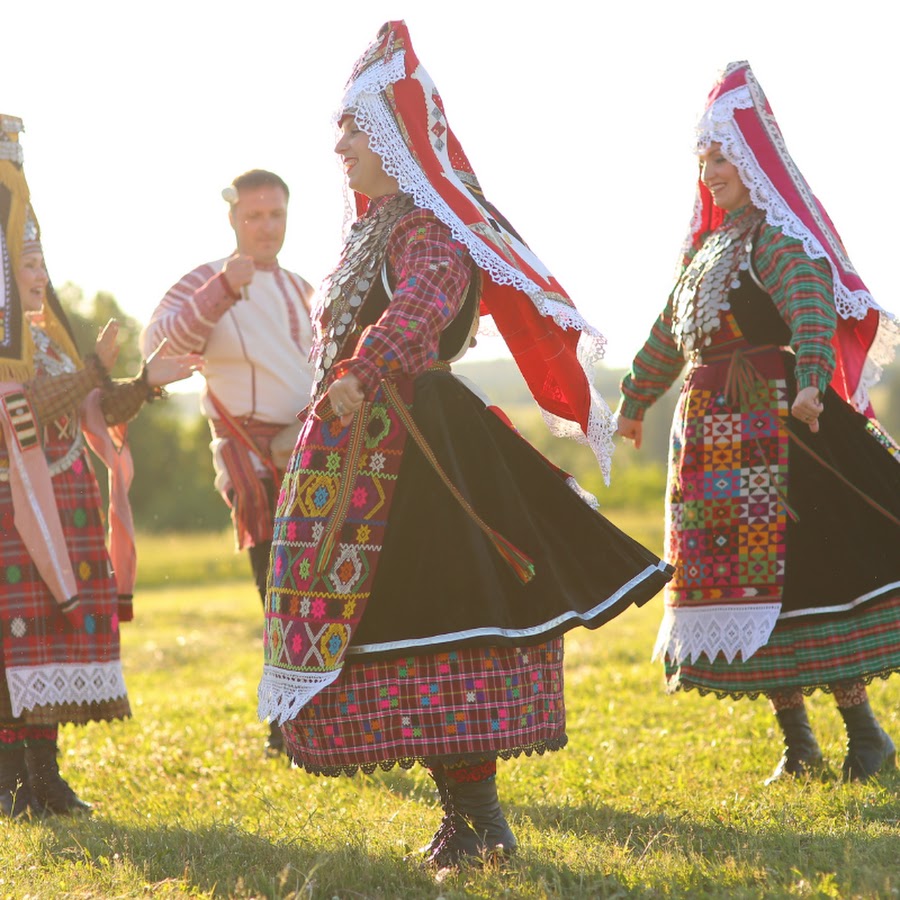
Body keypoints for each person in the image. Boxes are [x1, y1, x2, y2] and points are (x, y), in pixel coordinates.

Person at [256, 20, 673, 868]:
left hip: (419, 447)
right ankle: (463, 818)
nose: (339, 147)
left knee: (446, 618)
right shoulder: (376, 227)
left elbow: (427, 296)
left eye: (353, 131)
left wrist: (364, 368)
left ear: (391, 137)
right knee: (399, 624)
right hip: (363, 449)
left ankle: (483, 822)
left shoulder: (429, 225)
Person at [616, 62, 900, 785]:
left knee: (803, 575)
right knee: (741, 589)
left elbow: (810, 311)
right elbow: (667, 335)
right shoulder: (704, 250)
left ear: (751, 161)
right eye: (704, 161)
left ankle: (865, 735)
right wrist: (634, 399)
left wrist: (810, 384)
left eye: (722, 158)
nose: (710, 173)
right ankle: (798, 744)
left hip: (775, 431)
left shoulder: (777, 239)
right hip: (710, 442)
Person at [0, 114, 200, 818]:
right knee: (14, 643)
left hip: (67, 502)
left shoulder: (49, 339)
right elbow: (19, 408)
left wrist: (143, 383)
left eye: (41, 263)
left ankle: (45, 780)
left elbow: (94, 408)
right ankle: (11, 784)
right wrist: (89, 371)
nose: (39, 275)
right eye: (26, 263)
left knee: (50, 643)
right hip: (16, 510)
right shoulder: (8, 344)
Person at [139, 169, 315, 755]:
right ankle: (284, 727)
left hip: (312, 449)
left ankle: (321, 718)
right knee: (277, 591)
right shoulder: (204, 279)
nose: (266, 227)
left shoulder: (304, 287)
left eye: (276, 215)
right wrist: (220, 290)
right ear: (233, 218)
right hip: (249, 457)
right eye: (254, 216)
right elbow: (158, 348)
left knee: (320, 590)